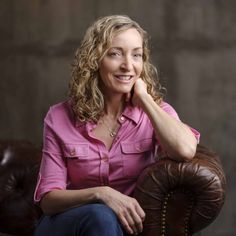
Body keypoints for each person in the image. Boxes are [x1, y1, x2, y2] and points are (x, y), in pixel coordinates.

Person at [34, 15, 200, 236]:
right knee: (100, 215)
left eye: (137, 55)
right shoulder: (58, 117)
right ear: (94, 60)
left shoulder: (155, 114)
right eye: (115, 54)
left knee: (106, 221)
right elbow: (48, 200)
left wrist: (145, 99)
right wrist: (101, 194)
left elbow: (185, 150)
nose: (128, 66)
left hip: (122, 228)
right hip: (66, 224)